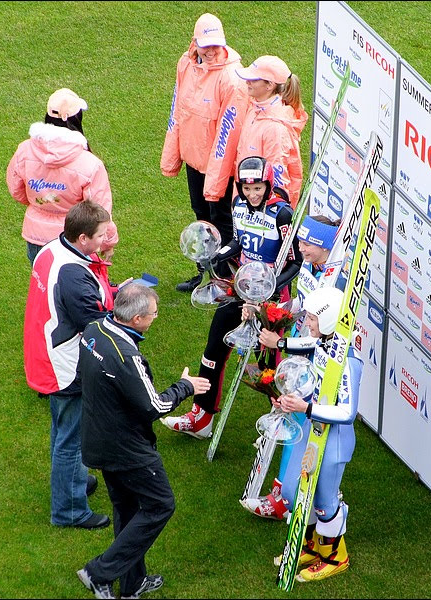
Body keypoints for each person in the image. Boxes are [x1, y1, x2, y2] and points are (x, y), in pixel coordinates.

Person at [76, 284, 210, 599]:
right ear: (136, 319)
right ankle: (98, 572)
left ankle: (132, 584)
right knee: (160, 505)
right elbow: (154, 406)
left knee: (127, 509)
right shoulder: (126, 356)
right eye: (153, 314)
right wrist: (185, 386)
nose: (155, 317)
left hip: (99, 438)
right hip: (128, 449)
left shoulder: (94, 329)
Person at [162, 156, 302, 439]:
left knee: (268, 363)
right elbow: (238, 241)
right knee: (214, 347)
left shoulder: (282, 215)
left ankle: (282, 420)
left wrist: (270, 287)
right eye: (247, 188)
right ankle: (201, 418)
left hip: (270, 299)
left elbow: (295, 261)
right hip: (239, 287)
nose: (252, 194)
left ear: (268, 185)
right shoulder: (238, 204)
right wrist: (219, 254)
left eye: (258, 188)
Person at [24, 200, 130, 530]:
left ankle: (75, 480)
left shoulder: (51, 249)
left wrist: (110, 291)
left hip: (46, 352)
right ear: (82, 238)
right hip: (66, 364)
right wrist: (125, 310)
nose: (105, 240)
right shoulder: (73, 274)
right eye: (100, 235)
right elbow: (95, 324)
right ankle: (69, 510)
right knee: (71, 438)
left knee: (62, 427)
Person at [241, 214, 340, 520]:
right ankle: (284, 492)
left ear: (325, 245)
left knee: (298, 419)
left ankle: (288, 499)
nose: (301, 249)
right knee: (290, 416)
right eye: (300, 242)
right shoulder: (311, 265)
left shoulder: (337, 278)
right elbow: (300, 304)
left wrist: (280, 342)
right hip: (299, 350)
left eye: (308, 243)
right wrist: (269, 311)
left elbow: (326, 336)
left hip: (318, 359)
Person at [272, 286, 362, 582]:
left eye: (312, 319)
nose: (307, 323)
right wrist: (292, 399)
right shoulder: (323, 343)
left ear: (328, 320)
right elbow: (310, 359)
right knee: (290, 490)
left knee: (324, 501)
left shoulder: (348, 360)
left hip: (334, 439)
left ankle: (335, 557)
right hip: (313, 428)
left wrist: (306, 408)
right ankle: (311, 546)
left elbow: (347, 413)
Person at [161, 13, 248, 292]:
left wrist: (215, 179)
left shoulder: (231, 79)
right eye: (205, 45)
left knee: (221, 221)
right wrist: (173, 155)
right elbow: (177, 110)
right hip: (194, 160)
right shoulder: (185, 64)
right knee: (201, 216)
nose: (211, 51)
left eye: (216, 45)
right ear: (195, 42)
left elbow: (228, 134)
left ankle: (224, 281)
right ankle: (205, 273)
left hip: (220, 166)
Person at [7, 87, 119, 265]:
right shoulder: (90, 163)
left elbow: (16, 190)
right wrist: (107, 242)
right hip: (74, 240)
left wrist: (41, 204)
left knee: (43, 281)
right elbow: (99, 211)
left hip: (36, 237)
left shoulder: (24, 150)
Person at [235, 55, 308, 208]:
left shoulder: (275, 128)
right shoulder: (255, 108)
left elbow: (278, 178)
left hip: (261, 208)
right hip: (249, 197)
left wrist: (272, 212)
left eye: (253, 80)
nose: (247, 82)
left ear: (269, 85)